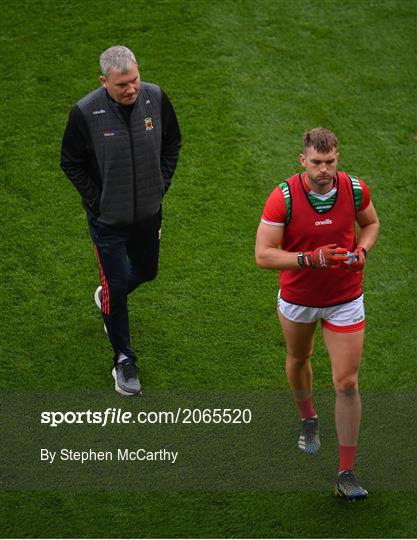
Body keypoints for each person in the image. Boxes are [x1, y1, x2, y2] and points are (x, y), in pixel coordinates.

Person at [255, 128, 379, 500]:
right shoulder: (284, 197)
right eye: (316, 162)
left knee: (346, 382)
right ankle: (309, 418)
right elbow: (263, 254)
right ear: (302, 161)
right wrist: (309, 259)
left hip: (345, 297)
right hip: (299, 298)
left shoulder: (354, 189)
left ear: (337, 159)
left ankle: (346, 472)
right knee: (299, 358)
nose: (323, 169)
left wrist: (362, 250)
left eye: (330, 162)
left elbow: (370, 225)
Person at [60, 45, 181, 396]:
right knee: (117, 286)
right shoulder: (85, 113)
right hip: (107, 222)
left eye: (135, 80)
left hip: (147, 213)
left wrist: (161, 184)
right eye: (122, 85)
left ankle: (109, 297)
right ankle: (124, 361)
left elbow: (172, 142)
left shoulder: (155, 99)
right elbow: (71, 162)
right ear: (104, 82)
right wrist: (98, 202)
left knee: (146, 271)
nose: (132, 89)